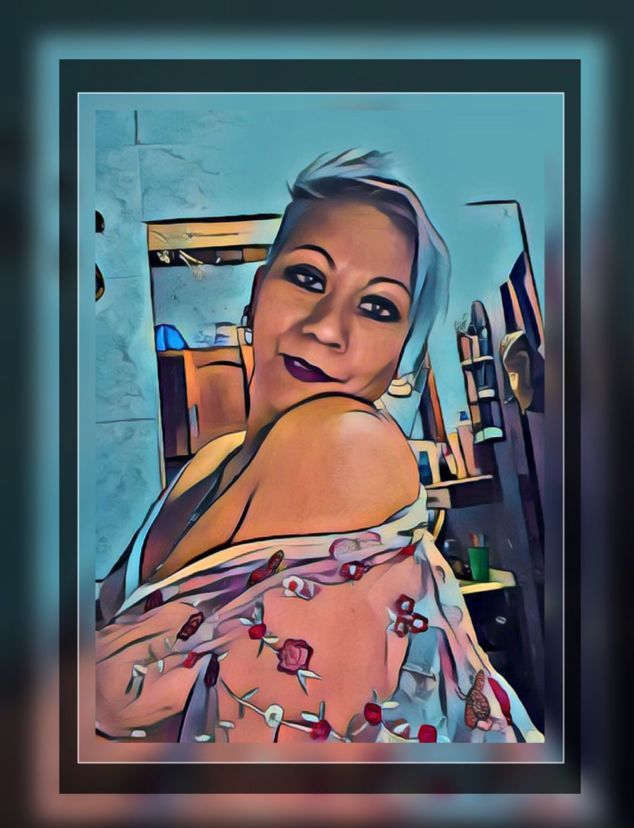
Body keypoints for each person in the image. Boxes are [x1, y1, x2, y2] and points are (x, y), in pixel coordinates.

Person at [96, 149, 543, 744]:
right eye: (308, 277)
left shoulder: (348, 441)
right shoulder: (209, 461)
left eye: (377, 307)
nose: (327, 328)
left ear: (401, 356)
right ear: (258, 292)